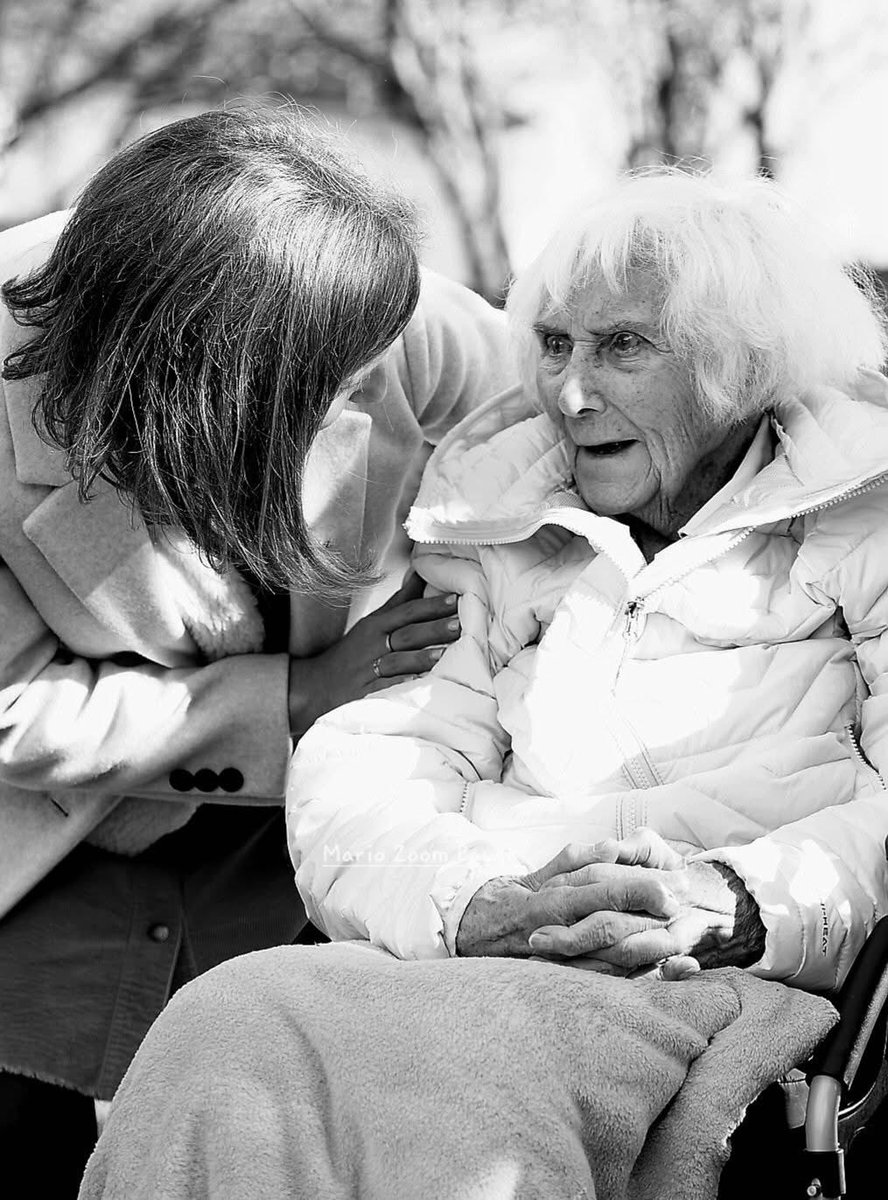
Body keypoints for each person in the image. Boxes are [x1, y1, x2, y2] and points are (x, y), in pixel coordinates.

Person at [77, 169, 888, 1199]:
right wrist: (470, 899)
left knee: (451, 1082)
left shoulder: (870, 520)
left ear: (742, 362)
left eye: (623, 346)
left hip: (720, 967)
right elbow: (374, 760)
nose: (572, 392)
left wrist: (735, 901)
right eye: (554, 344)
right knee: (225, 1019)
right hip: (485, 942)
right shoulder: (499, 518)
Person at [0, 103, 516, 1193]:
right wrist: (288, 698)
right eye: (346, 388)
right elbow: (11, 707)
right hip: (48, 839)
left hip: (300, 832)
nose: (379, 407)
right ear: (213, 376)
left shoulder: (368, 305)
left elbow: (550, 418)